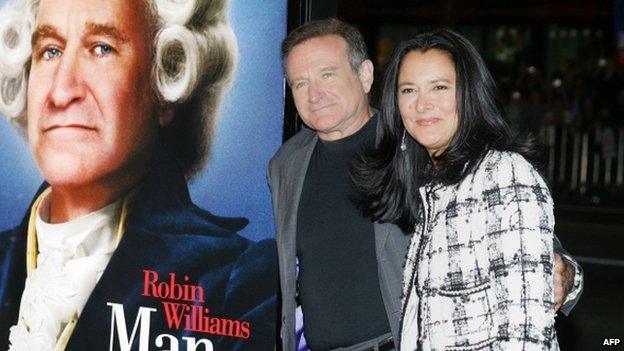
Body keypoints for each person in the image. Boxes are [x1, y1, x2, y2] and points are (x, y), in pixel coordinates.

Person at [269, 19, 581, 351]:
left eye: (327, 75)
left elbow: (522, 232)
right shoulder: (285, 164)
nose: (314, 94)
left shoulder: (419, 140)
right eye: (300, 82)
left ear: (365, 76)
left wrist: (563, 271)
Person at [0, 0, 277, 349]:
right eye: (50, 51)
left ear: (168, 76)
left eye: (101, 48)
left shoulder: (239, 287)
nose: (61, 92)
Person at [352, 29, 562, 350]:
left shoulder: (503, 174)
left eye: (439, 87)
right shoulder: (429, 187)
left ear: (469, 93)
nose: (422, 104)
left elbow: (526, 337)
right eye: (409, 90)